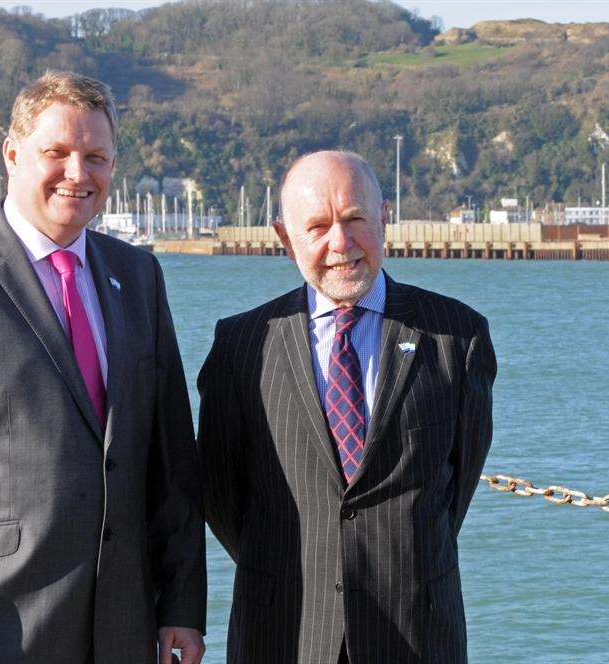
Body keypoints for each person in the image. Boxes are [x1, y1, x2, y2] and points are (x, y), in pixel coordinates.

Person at [0, 72, 205, 664]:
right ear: (12, 154)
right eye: (57, 153)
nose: (78, 174)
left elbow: (170, 458)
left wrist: (181, 606)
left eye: (96, 157)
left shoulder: (139, 277)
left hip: (123, 627)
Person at [197, 150, 496, 663]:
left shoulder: (456, 337)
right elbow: (221, 496)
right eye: (317, 227)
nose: (341, 243)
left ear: (384, 218)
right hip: (282, 632)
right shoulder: (242, 345)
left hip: (416, 633)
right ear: (285, 238)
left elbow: (455, 492)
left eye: (355, 219)